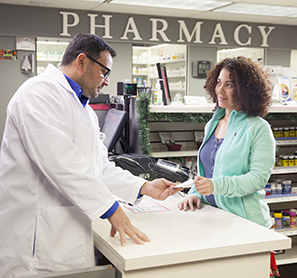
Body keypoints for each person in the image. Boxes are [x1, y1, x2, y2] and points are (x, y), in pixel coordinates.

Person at [0, 33, 182, 277]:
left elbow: (98, 168)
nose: (107, 81)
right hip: (34, 238)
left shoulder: (82, 108)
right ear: (82, 61)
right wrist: (111, 209)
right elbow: (62, 165)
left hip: (62, 233)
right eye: (104, 72)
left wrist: (145, 187)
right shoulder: (38, 94)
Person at [178, 56, 275, 230]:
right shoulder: (213, 124)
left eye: (229, 84)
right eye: (218, 82)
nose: (220, 90)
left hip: (247, 223)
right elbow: (208, 170)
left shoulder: (258, 128)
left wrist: (215, 186)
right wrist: (195, 193)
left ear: (246, 90)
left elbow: (257, 179)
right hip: (214, 217)